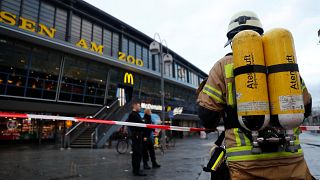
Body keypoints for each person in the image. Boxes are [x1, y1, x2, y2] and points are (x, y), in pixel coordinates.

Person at [197, 11, 314, 179]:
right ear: (261, 35)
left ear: (231, 41)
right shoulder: (283, 63)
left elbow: (207, 116)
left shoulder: (223, 66)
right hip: (292, 163)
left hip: (245, 167)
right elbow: (306, 108)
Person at [127, 102, 146, 176]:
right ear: (135, 106)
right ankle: (136, 171)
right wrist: (143, 121)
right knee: (137, 153)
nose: (140, 107)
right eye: (139, 106)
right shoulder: (133, 115)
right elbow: (141, 123)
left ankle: (136, 169)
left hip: (137, 135)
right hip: (136, 136)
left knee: (136, 153)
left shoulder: (135, 114)